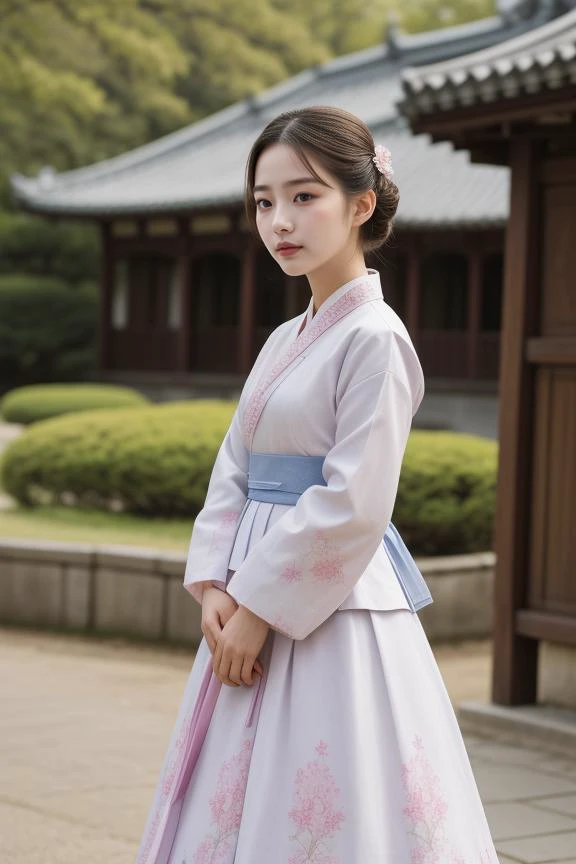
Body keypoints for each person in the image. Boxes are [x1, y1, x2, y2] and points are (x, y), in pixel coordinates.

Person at [136, 106, 498, 864]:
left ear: (361, 204)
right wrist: (214, 586)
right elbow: (233, 464)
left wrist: (261, 610)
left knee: (329, 793)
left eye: (304, 197)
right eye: (264, 202)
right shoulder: (282, 337)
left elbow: (355, 501)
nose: (280, 222)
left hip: (327, 605)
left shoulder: (377, 339)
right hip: (246, 590)